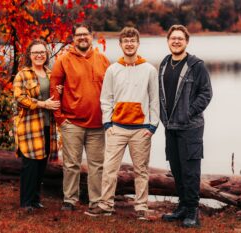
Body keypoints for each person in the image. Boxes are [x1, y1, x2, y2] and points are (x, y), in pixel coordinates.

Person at [86, 27, 159, 220]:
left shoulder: (149, 70)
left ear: (138, 43)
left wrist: (152, 126)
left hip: (141, 130)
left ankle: (141, 206)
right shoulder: (112, 69)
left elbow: (154, 100)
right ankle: (105, 204)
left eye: (132, 41)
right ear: (120, 45)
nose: (129, 44)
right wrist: (108, 124)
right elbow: (106, 99)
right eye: (125, 41)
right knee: (109, 168)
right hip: (116, 128)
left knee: (141, 170)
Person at [50, 23, 110, 212]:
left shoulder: (102, 60)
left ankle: (96, 201)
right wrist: (60, 118)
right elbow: (54, 89)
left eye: (86, 34)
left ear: (91, 36)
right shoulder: (63, 60)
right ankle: (70, 199)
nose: (82, 38)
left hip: (97, 123)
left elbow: (111, 91)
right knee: (71, 164)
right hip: (72, 122)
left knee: (97, 165)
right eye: (78, 35)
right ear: (73, 39)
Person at [159, 25, 212, 228]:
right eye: (173, 38)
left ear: (186, 41)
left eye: (180, 38)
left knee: (190, 171)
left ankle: (193, 211)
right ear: (168, 41)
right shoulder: (165, 63)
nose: (176, 41)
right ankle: (182, 207)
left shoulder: (196, 65)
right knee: (177, 169)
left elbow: (206, 93)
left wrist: (188, 112)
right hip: (170, 127)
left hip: (190, 127)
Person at [13, 39, 61, 212]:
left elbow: (54, 97)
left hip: (48, 126)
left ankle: (35, 199)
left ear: (46, 55)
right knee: (30, 165)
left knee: (41, 164)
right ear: (30, 55)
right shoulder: (23, 75)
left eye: (42, 52)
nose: (39, 55)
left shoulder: (50, 74)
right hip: (30, 127)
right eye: (36, 53)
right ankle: (25, 202)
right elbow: (20, 98)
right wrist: (42, 104)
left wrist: (59, 93)